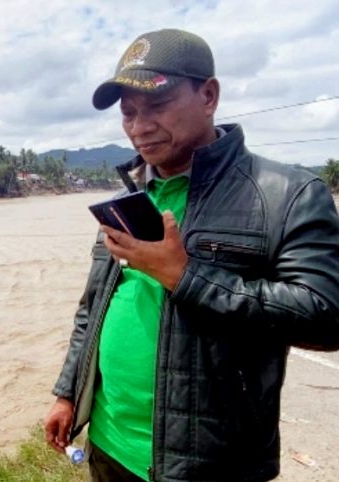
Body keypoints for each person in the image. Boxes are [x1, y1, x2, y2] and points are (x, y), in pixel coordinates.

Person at [44, 28, 339, 482]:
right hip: (107, 444)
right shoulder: (131, 197)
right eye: (128, 113)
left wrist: (185, 276)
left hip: (210, 466)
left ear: (209, 95)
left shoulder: (288, 195)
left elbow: (326, 316)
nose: (139, 127)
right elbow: (93, 308)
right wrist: (68, 393)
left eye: (157, 106)